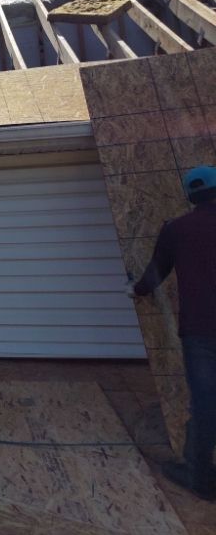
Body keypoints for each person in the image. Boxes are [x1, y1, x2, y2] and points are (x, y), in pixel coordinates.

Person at [130, 165, 216, 501]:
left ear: (190, 196)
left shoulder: (176, 230)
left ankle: (200, 479)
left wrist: (135, 290)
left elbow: (154, 273)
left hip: (200, 333)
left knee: (206, 405)